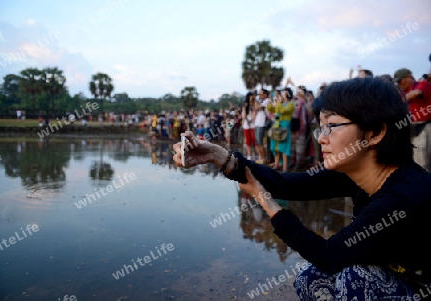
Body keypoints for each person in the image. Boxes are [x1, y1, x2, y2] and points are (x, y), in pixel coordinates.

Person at [173, 77, 431, 300]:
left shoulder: (403, 196)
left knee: (355, 277)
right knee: (311, 278)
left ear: (374, 133)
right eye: (320, 126)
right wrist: (219, 156)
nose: (321, 137)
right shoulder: (356, 173)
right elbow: (287, 184)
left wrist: (266, 203)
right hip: (396, 280)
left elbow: (328, 255)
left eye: (332, 126)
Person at [393, 68, 431, 172]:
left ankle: (424, 184)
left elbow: (416, 93)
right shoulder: (403, 91)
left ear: (408, 77)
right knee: (413, 157)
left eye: (400, 80)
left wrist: (400, 100)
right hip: (410, 126)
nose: (399, 84)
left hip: (424, 126)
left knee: (422, 159)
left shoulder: (422, 84)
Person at [267, 88, 294, 172]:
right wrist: (271, 101)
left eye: (283, 92)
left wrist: (278, 103)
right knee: (275, 147)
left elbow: (283, 111)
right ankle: (276, 164)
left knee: (284, 147)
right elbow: (270, 108)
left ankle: (285, 167)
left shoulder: (291, 104)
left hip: (285, 127)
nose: (281, 94)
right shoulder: (280, 103)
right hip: (276, 126)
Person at [254, 89, 271, 164]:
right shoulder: (260, 101)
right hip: (257, 123)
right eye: (258, 94)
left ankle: (264, 158)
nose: (259, 96)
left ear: (265, 95)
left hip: (262, 124)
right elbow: (255, 107)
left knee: (260, 142)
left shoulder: (267, 100)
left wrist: (254, 99)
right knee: (257, 142)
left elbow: (257, 107)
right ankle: (262, 157)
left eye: (261, 94)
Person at [242, 92, 256, 160]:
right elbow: (243, 116)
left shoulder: (254, 104)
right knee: (248, 141)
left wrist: (252, 103)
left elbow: (254, 114)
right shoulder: (245, 105)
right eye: (251, 97)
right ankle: (249, 156)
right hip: (246, 125)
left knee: (254, 141)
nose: (252, 98)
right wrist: (244, 107)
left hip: (253, 125)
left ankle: (257, 155)